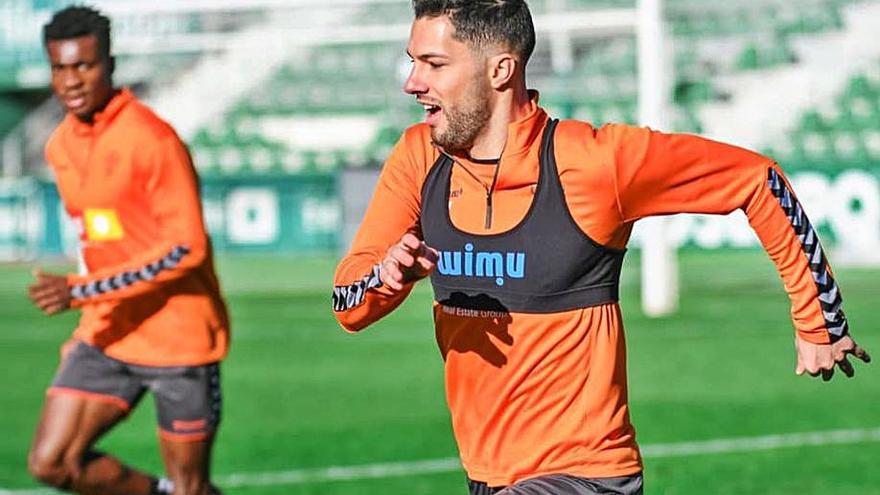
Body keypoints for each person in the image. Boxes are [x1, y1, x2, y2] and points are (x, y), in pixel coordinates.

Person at [332, 1, 872, 493]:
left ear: (500, 70)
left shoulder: (595, 162)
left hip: (587, 474)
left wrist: (818, 319)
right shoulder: (418, 157)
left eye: (433, 64)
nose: (412, 83)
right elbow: (347, 305)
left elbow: (758, 180)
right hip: (486, 476)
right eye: (413, 62)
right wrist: (386, 278)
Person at [26, 6, 229, 495]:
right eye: (60, 68)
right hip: (109, 334)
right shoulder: (60, 147)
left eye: (84, 66)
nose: (71, 81)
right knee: (53, 462)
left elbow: (186, 249)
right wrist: (87, 320)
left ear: (109, 65)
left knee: (191, 486)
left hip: (179, 341)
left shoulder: (152, 140)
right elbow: (96, 244)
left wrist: (83, 290)